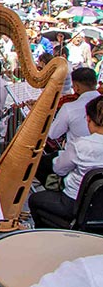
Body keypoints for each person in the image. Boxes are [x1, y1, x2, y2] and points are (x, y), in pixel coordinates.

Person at [29, 95, 103, 228]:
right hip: (98, 205)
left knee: (35, 199)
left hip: (74, 203)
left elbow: (59, 169)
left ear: (88, 119)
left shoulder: (81, 145)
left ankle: (47, 234)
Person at [49, 67, 100, 142]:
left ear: (76, 87)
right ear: (96, 82)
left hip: (78, 152)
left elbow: (52, 134)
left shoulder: (69, 108)